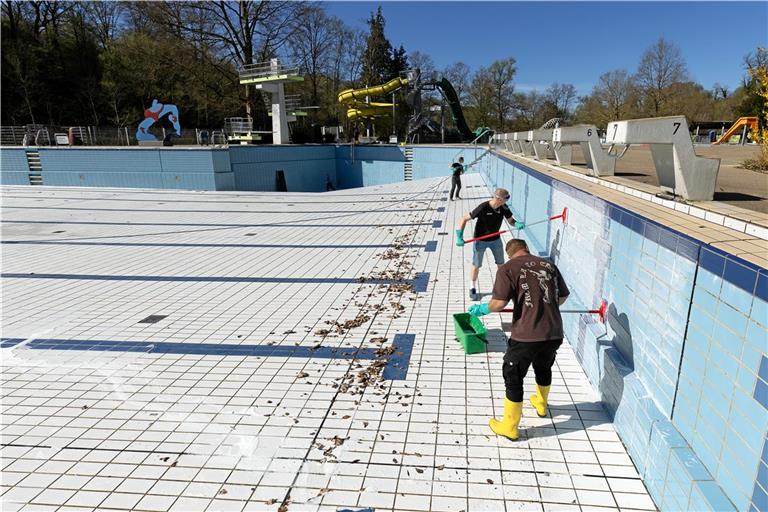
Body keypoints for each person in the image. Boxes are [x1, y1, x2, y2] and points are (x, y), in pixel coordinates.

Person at [468, 239, 570, 440]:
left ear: (509, 253)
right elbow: (563, 297)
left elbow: (498, 303)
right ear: (526, 250)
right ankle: (541, 404)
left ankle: (510, 426)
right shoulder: (549, 265)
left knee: (513, 374)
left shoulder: (508, 268)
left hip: (527, 335)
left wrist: (481, 309)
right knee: (543, 367)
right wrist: (543, 306)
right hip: (553, 332)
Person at [455, 188, 524, 301]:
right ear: (498, 198)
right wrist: (459, 236)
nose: (507, 201)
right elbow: (464, 219)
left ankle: (502, 287)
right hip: (480, 240)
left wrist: (516, 224)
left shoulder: (504, 208)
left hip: (495, 240)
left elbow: (510, 220)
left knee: (501, 265)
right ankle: (472, 287)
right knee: (476, 265)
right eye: (506, 199)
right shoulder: (483, 207)